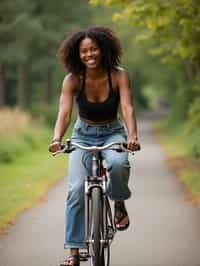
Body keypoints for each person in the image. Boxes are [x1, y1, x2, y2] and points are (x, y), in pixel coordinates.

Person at [49, 26, 140, 266]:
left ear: (103, 49)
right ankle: (74, 253)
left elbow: (128, 108)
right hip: (82, 134)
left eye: (93, 49)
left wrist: (133, 135)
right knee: (76, 189)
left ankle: (118, 203)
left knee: (119, 163)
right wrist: (57, 138)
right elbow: (65, 112)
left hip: (113, 132)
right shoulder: (72, 79)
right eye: (84, 51)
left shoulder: (119, 75)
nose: (89, 55)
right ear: (76, 54)